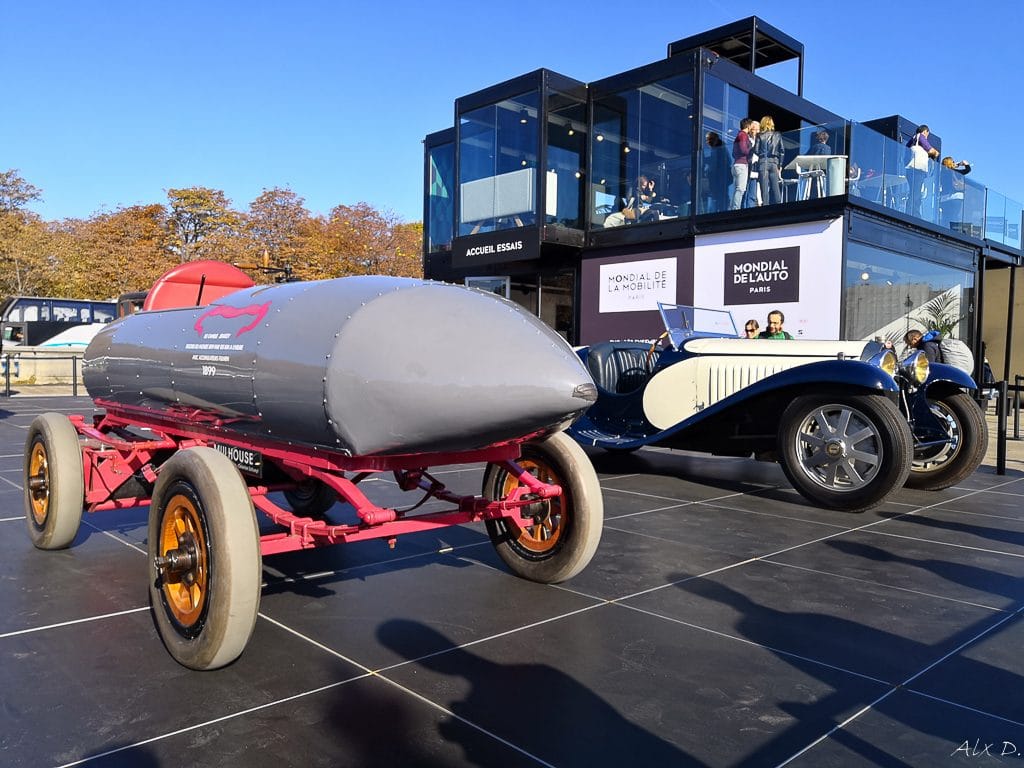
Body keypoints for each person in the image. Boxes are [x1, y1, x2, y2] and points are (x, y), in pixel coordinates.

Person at [905, 124, 940, 219]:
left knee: (913, 192)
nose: (927, 137)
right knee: (916, 193)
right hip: (917, 170)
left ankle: (910, 212)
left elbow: (907, 149)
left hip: (911, 170)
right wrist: (935, 153)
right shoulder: (920, 136)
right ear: (925, 131)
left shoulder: (912, 140)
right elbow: (930, 149)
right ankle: (914, 214)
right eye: (927, 135)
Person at [754, 115, 785, 206]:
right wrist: (780, 165)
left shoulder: (760, 135)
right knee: (775, 187)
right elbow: (782, 150)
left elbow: (756, 150)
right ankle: (779, 206)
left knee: (764, 188)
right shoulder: (777, 135)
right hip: (774, 162)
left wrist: (761, 153)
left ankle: (765, 207)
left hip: (763, 162)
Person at [939, 156, 972, 228]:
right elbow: (968, 170)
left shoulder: (941, 173)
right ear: (951, 163)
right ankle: (953, 231)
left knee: (945, 217)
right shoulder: (955, 172)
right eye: (953, 161)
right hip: (956, 197)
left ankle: (943, 230)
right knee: (954, 217)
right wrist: (964, 163)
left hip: (944, 199)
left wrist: (955, 165)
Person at [703, 131, 731, 213]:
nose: (707, 142)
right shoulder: (720, 147)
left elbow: (715, 162)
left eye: (708, 140)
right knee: (720, 195)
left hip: (719, 177)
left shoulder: (718, 147)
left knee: (719, 196)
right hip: (720, 176)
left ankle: (720, 211)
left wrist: (708, 167)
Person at [731, 118, 754, 210]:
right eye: (751, 126)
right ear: (748, 126)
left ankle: (733, 208)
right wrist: (751, 148)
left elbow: (733, 153)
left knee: (737, 189)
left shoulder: (738, 136)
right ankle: (736, 209)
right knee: (741, 189)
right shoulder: (743, 135)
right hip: (742, 165)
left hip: (736, 164)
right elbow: (744, 149)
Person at [744, 119, 761, 207]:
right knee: (746, 193)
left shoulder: (761, 141)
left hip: (756, 171)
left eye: (757, 130)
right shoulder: (747, 139)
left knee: (754, 196)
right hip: (748, 169)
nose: (756, 131)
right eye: (754, 129)